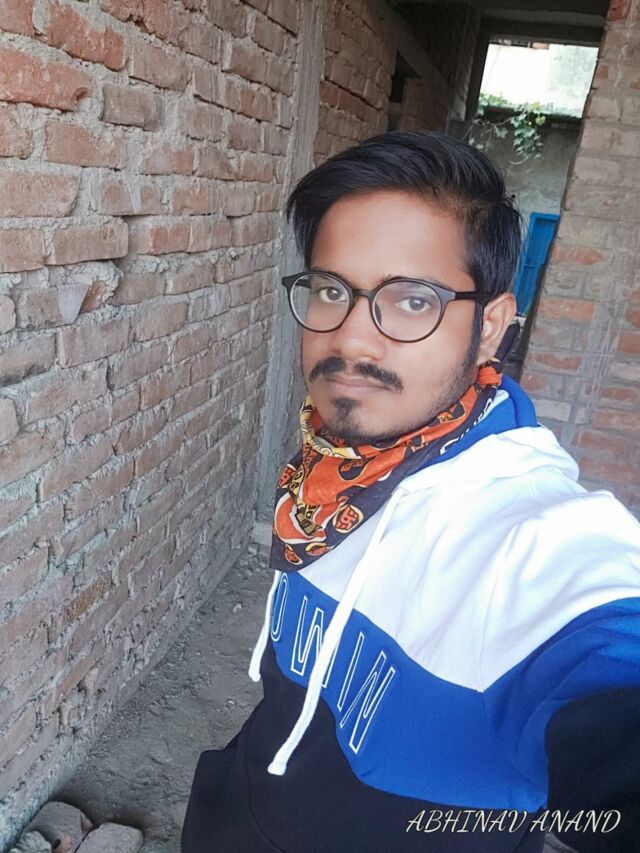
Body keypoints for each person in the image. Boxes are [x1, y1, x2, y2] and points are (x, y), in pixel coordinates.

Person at [181, 131, 640, 853]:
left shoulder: (534, 540)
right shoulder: (336, 466)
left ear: (489, 327)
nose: (352, 341)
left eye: (412, 301)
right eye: (331, 290)